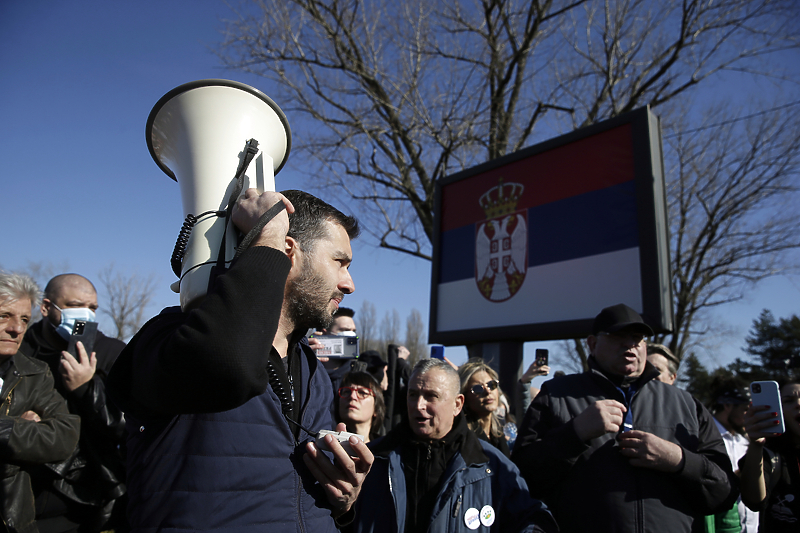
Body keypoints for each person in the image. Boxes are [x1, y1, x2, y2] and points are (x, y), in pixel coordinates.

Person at [107, 189, 373, 532]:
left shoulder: (312, 369)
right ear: (287, 250)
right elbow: (229, 363)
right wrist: (268, 237)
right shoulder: (173, 334)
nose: (349, 284)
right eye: (340, 262)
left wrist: (342, 501)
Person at [512, 303, 738, 533]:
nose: (630, 344)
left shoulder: (686, 404)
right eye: (618, 335)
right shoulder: (556, 396)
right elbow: (521, 481)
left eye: (637, 337)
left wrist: (678, 460)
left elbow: (724, 493)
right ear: (592, 343)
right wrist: (575, 433)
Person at [348, 358, 558, 533]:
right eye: (413, 395)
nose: (419, 405)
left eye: (431, 396)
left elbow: (532, 518)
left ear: (457, 404)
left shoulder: (492, 466)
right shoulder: (373, 459)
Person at [20, 273, 127, 533]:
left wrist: (85, 389)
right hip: (23, 493)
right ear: (46, 308)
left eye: (92, 308)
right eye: (74, 306)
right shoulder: (19, 349)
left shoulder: (112, 352)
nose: (85, 315)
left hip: (83, 500)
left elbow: (124, 427)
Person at [0, 271, 80, 533]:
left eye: (24, 319)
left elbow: (65, 437)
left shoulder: (34, 372)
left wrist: (8, 430)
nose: (17, 328)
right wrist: (22, 434)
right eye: (5, 316)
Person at [739, 380, 800, 532]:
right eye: (789, 401)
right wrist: (756, 444)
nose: (799, 404)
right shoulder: (770, 455)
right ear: (779, 410)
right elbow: (754, 501)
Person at [710, 385, 759, 532]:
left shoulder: (744, 441)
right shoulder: (705, 437)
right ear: (727, 405)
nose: (749, 416)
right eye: (745, 410)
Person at [458, 358, 511, 457]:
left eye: (492, 385)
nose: (487, 391)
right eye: (478, 388)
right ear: (463, 397)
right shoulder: (462, 436)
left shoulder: (498, 432)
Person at [336, 371, 385, 443]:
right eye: (346, 392)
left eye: (362, 392)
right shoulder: (324, 444)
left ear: (376, 409)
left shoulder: (387, 450)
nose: (352, 396)